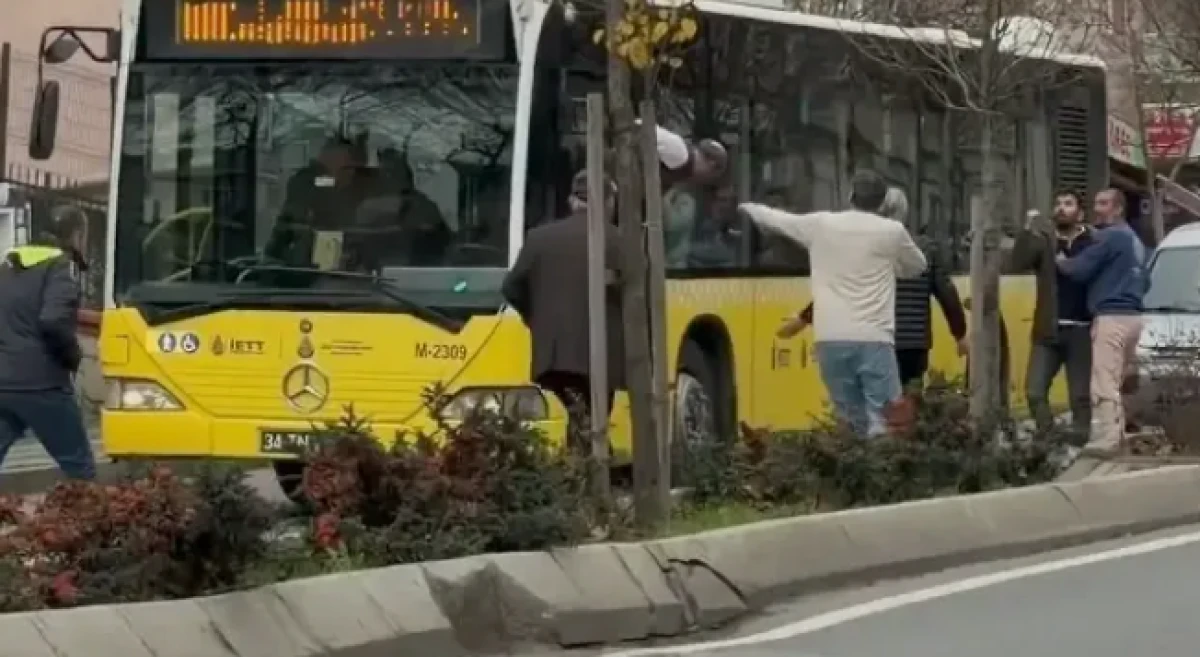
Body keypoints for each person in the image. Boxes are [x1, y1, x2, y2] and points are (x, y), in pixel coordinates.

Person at [739, 170, 928, 436]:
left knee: (849, 417)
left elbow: (778, 220)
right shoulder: (892, 231)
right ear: (883, 203)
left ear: (850, 195)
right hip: (874, 337)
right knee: (886, 418)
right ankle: (879, 472)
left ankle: (850, 467)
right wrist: (892, 267)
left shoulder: (821, 225)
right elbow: (918, 265)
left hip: (830, 339)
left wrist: (747, 206)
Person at [778, 187, 968, 387]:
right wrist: (960, 335)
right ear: (904, 213)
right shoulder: (926, 249)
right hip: (913, 345)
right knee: (908, 405)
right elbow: (947, 293)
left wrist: (802, 319)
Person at [502, 169, 625, 449]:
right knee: (592, 417)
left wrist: (536, 318)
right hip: (598, 356)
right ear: (608, 202)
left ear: (572, 201)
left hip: (552, 354)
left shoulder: (540, 238)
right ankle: (583, 475)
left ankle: (571, 474)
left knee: (575, 411)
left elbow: (511, 286)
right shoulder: (618, 241)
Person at [0, 206, 96, 480]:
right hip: (42, 386)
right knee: (78, 466)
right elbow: (53, 322)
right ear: (77, 235)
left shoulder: (8, 267)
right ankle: (88, 520)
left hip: (2, 386)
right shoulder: (59, 269)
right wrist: (72, 357)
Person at [1056, 188, 1147, 451]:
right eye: (1096, 203)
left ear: (1118, 209)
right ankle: (1122, 430)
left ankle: (1109, 439)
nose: (1098, 208)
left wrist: (1060, 260)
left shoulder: (1109, 237)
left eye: (1104, 203)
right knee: (1120, 380)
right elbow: (1146, 280)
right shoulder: (1135, 240)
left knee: (1104, 381)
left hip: (1111, 317)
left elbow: (1079, 269)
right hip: (1134, 317)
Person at [1008, 189, 1097, 438]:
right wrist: (1027, 230)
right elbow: (1017, 263)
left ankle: (1081, 445)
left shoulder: (1093, 242)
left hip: (1082, 329)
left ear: (1079, 212)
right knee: (1035, 392)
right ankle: (1050, 439)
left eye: (1068, 204)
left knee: (1080, 396)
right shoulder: (1044, 242)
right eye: (1057, 204)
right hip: (1048, 329)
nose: (1061, 208)